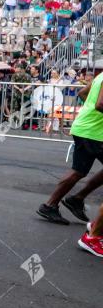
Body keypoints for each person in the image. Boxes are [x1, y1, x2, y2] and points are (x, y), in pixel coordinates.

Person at [37, 70, 103, 225]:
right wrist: (94, 113)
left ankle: (64, 202)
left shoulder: (100, 76)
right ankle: (59, 203)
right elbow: (100, 104)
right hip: (91, 132)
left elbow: (81, 93)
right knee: (78, 171)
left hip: (89, 129)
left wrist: (90, 111)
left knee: (79, 171)